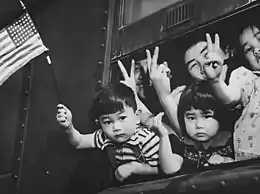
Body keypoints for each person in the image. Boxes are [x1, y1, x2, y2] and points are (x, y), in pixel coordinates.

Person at [56, 82, 183, 187]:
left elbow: (163, 170)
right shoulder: (105, 136)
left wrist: (135, 168)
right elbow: (79, 142)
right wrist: (69, 127)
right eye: (107, 121)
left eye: (122, 118)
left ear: (137, 116)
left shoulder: (146, 139)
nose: (116, 127)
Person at [146, 35, 229, 138]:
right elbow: (187, 138)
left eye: (206, 54)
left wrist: (164, 96)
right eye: (194, 65)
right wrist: (164, 94)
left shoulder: (242, 79)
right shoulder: (185, 95)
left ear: (227, 52)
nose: (203, 66)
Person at [202, 26, 260, 161]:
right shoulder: (248, 77)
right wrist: (216, 82)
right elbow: (230, 96)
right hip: (250, 161)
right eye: (248, 49)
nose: (257, 51)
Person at [177, 80, 234, 171]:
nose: (199, 125)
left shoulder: (230, 142)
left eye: (207, 116)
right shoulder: (183, 146)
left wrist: (225, 160)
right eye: (191, 118)